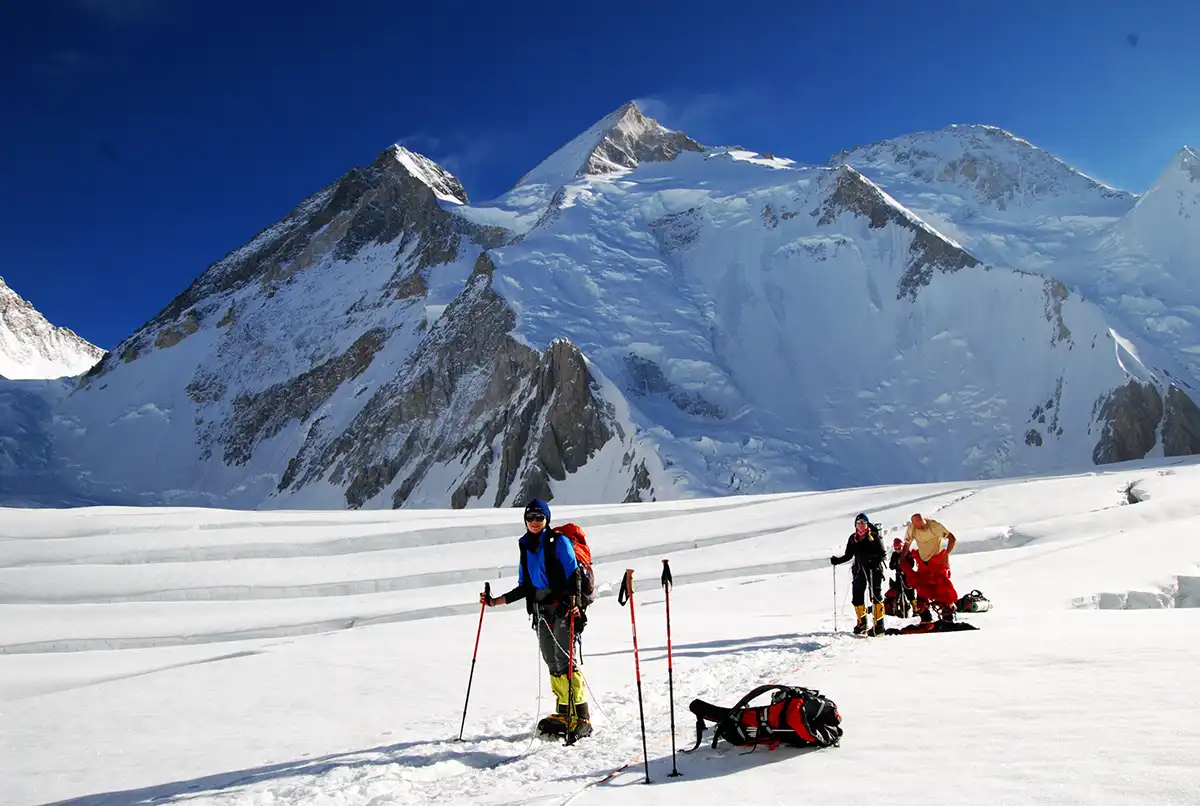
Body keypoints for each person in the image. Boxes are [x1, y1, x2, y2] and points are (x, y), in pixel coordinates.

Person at [480, 498, 591, 739]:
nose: (534, 522)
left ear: (547, 519)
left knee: (565, 660)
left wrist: (575, 605)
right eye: (530, 517)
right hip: (541, 611)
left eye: (539, 517)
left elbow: (574, 576)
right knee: (552, 661)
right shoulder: (525, 546)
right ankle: (563, 712)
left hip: (563, 608)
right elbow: (525, 585)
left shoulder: (559, 542)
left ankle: (581, 716)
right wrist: (497, 601)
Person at [830, 513, 887, 635]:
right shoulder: (853, 538)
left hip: (874, 569)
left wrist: (874, 561)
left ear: (867, 525)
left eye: (863, 523)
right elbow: (849, 555)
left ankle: (879, 625)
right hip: (860, 569)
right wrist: (837, 561)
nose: (861, 525)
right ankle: (862, 623)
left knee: (875, 595)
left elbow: (882, 554)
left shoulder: (874, 536)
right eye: (859, 523)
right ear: (855, 525)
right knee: (857, 595)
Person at [902, 513, 959, 622]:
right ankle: (926, 618)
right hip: (923, 563)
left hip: (936, 561)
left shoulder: (934, 526)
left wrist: (946, 554)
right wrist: (902, 559)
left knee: (942, 590)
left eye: (922, 525)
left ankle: (948, 618)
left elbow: (952, 538)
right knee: (922, 590)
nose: (921, 527)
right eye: (918, 526)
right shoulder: (911, 529)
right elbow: (907, 544)